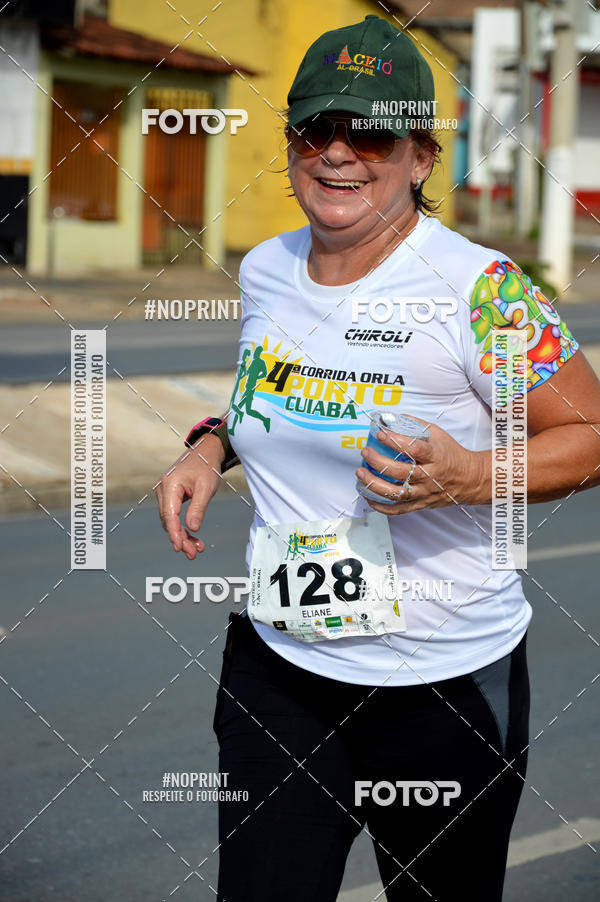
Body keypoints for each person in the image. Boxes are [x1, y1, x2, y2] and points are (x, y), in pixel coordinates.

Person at [156, 15, 600, 902]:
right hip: (281, 671)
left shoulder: (484, 290)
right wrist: (209, 446)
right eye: (316, 129)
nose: (338, 153)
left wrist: (469, 477)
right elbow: (274, 393)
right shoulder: (267, 268)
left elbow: (589, 434)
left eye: (370, 134)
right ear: (290, 144)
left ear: (422, 157)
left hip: (443, 687)